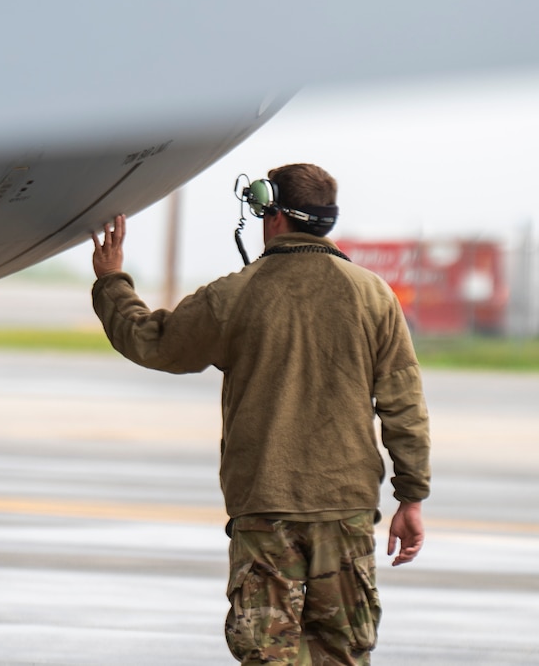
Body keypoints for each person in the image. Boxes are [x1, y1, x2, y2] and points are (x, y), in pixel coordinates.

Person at [89, 162, 430, 665]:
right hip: (346, 508)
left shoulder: (236, 294)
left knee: (266, 654)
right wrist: (411, 496)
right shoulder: (373, 295)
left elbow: (153, 343)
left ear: (271, 213)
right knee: (343, 654)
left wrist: (112, 281)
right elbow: (403, 402)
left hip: (265, 508)